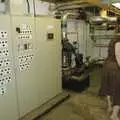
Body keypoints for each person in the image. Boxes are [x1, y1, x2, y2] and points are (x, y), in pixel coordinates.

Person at [99, 39, 120, 120]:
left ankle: (109, 107)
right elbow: (118, 56)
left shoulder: (114, 39)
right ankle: (114, 115)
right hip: (114, 69)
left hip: (107, 66)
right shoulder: (119, 41)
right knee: (118, 91)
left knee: (108, 87)